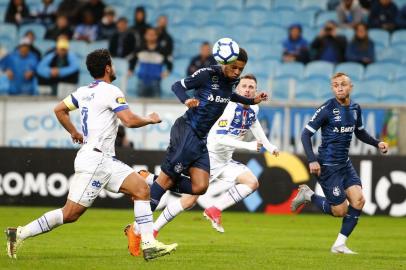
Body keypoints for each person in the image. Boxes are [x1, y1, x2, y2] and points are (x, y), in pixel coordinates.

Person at [5, 49, 177, 261]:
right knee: (70, 214)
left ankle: (149, 244)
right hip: (96, 161)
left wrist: (74, 132)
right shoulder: (111, 90)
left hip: (104, 159)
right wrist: (150, 119)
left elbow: (59, 109)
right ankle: (19, 233)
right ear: (107, 68)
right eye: (112, 65)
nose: (113, 68)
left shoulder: (83, 91)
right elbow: (129, 120)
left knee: (142, 189)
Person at [124, 49, 268, 256]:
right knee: (164, 184)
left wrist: (252, 101)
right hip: (186, 132)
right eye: (234, 67)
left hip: (201, 138)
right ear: (224, 61)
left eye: (241, 69)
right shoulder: (208, 74)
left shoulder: (230, 83)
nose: (237, 72)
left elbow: (231, 96)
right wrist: (186, 100)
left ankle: (150, 180)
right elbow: (177, 86)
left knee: (200, 187)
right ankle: (140, 234)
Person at [152, 74, 279, 237]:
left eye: (251, 87)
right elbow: (219, 139)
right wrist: (248, 145)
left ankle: (215, 209)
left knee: (252, 183)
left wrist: (269, 146)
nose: (247, 90)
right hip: (209, 158)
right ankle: (154, 228)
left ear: (256, 90)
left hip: (226, 161)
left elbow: (254, 124)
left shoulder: (254, 108)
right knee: (189, 200)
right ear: (237, 89)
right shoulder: (228, 108)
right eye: (244, 87)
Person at [291, 72, 389, 254]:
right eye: (335, 85)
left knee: (359, 201)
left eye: (343, 84)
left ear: (351, 86)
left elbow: (359, 132)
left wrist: (377, 143)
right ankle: (309, 195)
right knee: (339, 211)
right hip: (327, 166)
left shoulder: (355, 108)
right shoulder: (327, 108)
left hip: (345, 164)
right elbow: (305, 134)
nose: (339, 88)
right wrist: (312, 160)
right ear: (332, 88)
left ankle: (339, 245)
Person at [129, 27, 172, 97]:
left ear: (156, 36)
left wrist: (167, 72)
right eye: (149, 34)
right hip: (141, 81)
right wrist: (131, 69)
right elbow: (133, 60)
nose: (151, 36)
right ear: (145, 36)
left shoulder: (162, 50)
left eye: (153, 34)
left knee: (156, 106)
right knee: (139, 105)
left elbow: (169, 64)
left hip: (155, 82)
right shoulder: (140, 49)